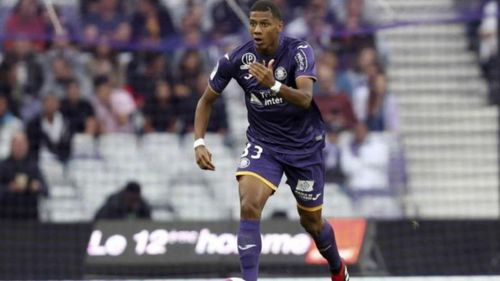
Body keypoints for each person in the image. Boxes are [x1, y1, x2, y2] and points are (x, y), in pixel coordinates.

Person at [193, 1, 348, 281]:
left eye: (264, 24)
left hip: (304, 147)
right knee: (249, 202)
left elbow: (305, 99)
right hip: (264, 144)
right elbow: (205, 101)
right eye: (253, 23)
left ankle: (338, 269)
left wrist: (273, 85)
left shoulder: (300, 51)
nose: (257, 30)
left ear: (279, 26)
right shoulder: (236, 60)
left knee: (312, 222)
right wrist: (199, 142)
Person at [0, 132, 48, 220]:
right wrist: (9, 188)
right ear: (11, 146)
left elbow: (46, 190)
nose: (19, 148)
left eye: (22, 144)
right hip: (6, 219)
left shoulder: (33, 166)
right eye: (17, 144)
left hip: (30, 218)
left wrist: (36, 187)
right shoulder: (3, 166)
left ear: (27, 146)